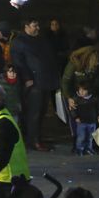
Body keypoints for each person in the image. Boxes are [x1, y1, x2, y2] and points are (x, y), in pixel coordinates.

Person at [9, 18, 60, 150]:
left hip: (44, 80)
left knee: (41, 110)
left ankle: (36, 137)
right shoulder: (19, 42)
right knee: (34, 112)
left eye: (37, 25)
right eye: (34, 26)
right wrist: (27, 78)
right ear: (26, 26)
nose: (37, 28)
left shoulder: (41, 40)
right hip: (32, 82)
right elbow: (18, 62)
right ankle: (33, 140)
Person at [71, 82, 99, 155]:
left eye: (84, 90)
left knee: (90, 137)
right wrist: (75, 117)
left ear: (88, 90)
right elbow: (73, 109)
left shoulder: (95, 98)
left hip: (92, 122)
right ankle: (79, 149)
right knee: (81, 137)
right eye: (80, 90)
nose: (81, 92)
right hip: (81, 122)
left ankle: (88, 148)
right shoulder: (76, 99)